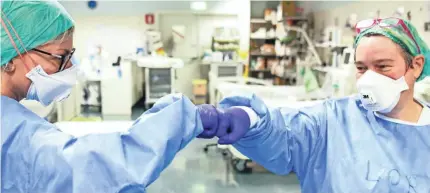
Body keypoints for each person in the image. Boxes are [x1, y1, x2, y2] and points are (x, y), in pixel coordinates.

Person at [0, 1, 222, 192]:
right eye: (60, 57)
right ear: (9, 58)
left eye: (71, 56)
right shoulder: (11, 135)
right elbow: (94, 172)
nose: (69, 67)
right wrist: (187, 118)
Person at [198, 18, 430, 192]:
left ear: (416, 66)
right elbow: (284, 134)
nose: (370, 79)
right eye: (361, 68)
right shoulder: (333, 120)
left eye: (382, 66)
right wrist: (248, 121)